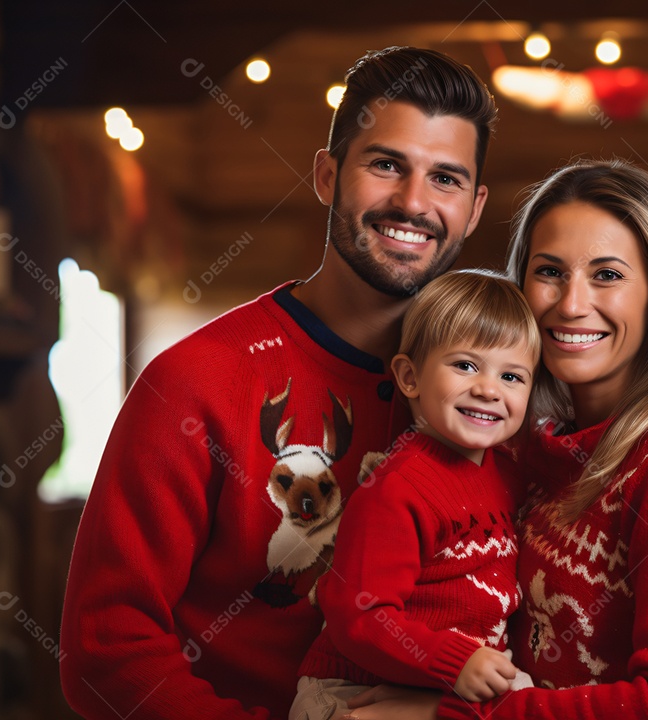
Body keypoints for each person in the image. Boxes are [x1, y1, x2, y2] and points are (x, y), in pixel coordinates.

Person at [59, 47, 497, 720]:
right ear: (327, 176)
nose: (413, 202)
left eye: (445, 179)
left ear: (474, 208)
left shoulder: (501, 401)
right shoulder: (194, 383)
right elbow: (106, 649)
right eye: (385, 165)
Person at [340, 159, 648, 720]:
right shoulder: (521, 454)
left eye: (607, 275)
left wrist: (455, 715)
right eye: (549, 271)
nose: (571, 304)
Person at [291, 270, 539, 720]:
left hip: (442, 686)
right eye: (465, 366)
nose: (488, 389)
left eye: (512, 376)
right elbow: (359, 615)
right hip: (354, 689)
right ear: (410, 377)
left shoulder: (509, 475)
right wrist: (453, 662)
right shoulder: (398, 488)